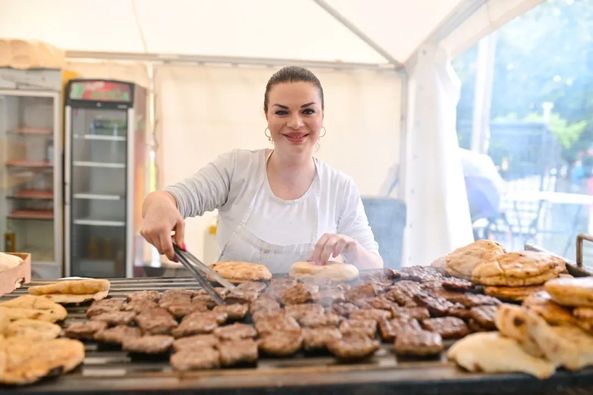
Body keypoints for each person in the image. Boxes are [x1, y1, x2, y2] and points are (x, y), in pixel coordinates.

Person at [140, 66, 383, 273]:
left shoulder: (340, 187)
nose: (296, 123)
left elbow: (375, 268)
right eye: (281, 111)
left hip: (312, 322)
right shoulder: (236, 167)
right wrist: (159, 207)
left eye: (308, 111)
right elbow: (167, 199)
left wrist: (352, 248)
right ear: (266, 115)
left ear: (322, 116)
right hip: (233, 319)